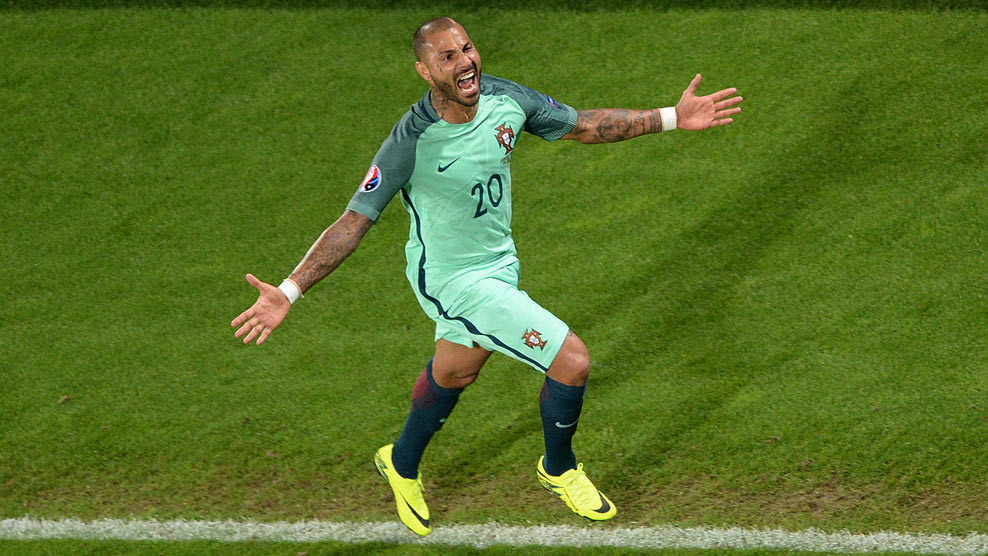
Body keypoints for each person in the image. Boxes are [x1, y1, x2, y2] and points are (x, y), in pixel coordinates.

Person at [232, 17, 742, 536]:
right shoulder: (411, 141)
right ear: (425, 72)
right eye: (447, 57)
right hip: (453, 282)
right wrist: (290, 290)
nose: (465, 62)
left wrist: (672, 117)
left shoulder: (507, 99)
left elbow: (583, 124)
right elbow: (354, 221)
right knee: (572, 361)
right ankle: (559, 468)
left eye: (467, 48)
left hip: (499, 264)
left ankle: (400, 462)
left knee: (456, 372)